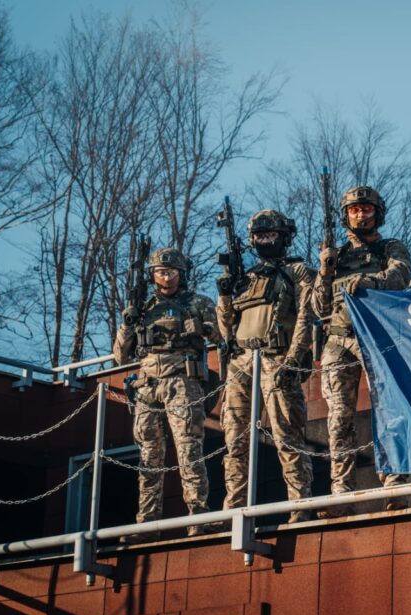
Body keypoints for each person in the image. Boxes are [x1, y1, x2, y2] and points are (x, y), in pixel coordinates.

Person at [313, 185, 411, 517]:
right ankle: (341, 492)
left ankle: (395, 483)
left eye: (366, 209)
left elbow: (400, 276)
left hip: (377, 335)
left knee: (388, 409)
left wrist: (372, 282)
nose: (360, 215)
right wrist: (325, 270)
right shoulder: (336, 255)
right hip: (338, 340)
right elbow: (318, 307)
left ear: (377, 213)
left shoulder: (389, 247)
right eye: (354, 210)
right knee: (339, 419)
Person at [113, 248, 221, 543]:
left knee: (189, 451)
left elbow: (222, 334)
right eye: (161, 272)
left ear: (181, 274)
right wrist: (127, 324)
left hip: (182, 383)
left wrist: (201, 328)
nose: (166, 277)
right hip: (148, 386)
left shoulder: (197, 302)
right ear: (152, 275)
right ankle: (147, 524)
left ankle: (199, 517)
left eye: (171, 272)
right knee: (149, 458)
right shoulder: (143, 308)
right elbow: (120, 356)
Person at [216, 209, 315, 523]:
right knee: (235, 441)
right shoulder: (246, 278)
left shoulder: (297, 271)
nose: (265, 240)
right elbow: (225, 328)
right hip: (241, 363)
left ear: (283, 237)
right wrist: (224, 295)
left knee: (287, 435)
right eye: (259, 236)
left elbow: (306, 318)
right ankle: (234, 509)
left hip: (277, 359)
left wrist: (293, 359)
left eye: (271, 234)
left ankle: (299, 505)